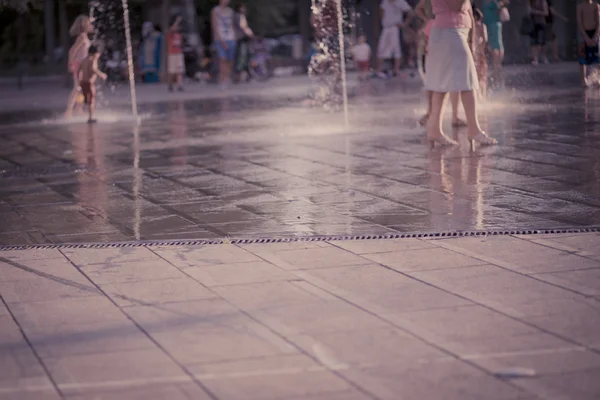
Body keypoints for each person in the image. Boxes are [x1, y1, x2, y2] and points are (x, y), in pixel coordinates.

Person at [425, 0, 496, 147]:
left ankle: (435, 130)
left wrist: (471, 39)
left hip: (452, 31)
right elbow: (455, 5)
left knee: (443, 83)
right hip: (450, 32)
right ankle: (473, 129)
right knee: (467, 81)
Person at [415, 0, 467, 128]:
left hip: (435, 42)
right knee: (451, 81)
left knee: (434, 83)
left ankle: (432, 115)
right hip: (445, 32)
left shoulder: (430, 23)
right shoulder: (436, 20)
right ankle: (444, 116)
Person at [377, 0, 415, 78]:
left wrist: (404, 24)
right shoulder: (385, 1)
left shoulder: (400, 2)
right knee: (381, 47)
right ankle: (379, 70)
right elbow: (382, 10)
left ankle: (396, 70)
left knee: (396, 48)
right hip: (386, 27)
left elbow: (410, 12)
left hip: (394, 27)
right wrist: (383, 20)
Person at [65, 15, 94, 119]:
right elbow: (72, 51)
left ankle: (78, 109)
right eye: (89, 24)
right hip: (79, 65)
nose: (91, 25)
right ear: (85, 25)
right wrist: (70, 63)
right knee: (77, 88)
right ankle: (68, 111)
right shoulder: (82, 37)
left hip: (83, 65)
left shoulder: (84, 36)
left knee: (81, 88)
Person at [78, 45, 107, 124]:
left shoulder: (83, 60)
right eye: (98, 54)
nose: (99, 55)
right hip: (89, 82)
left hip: (83, 82)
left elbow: (79, 69)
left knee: (86, 99)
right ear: (95, 53)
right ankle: (90, 117)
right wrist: (101, 74)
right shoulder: (92, 60)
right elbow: (93, 69)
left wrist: (79, 80)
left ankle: (83, 110)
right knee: (92, 100)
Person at [212, 0, 237, 89]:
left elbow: (232, 25)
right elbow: (214, 26)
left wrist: (234, 37)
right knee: (222, 59)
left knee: (230, 60)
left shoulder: (230, 11)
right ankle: (222, 80)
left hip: (230, 38)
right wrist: (220, 40)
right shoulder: (215, 11)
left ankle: (227, 77)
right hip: (220, 39)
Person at [577, 0, 600, 87]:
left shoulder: (596, 5)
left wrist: (596, 36)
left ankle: (598, 76)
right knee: (582, 57)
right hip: (584, 33)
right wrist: (585, 37)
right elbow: (580, 22)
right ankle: (583, 79)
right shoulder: (580, 7)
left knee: (598, 56)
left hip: (594, 32)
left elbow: (599, 22)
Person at [482, 0, 507, 75]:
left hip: (495, 23)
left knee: (497, 44)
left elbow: (504, 3)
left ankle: (498, 63)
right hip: (487, 24)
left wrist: (500, 5)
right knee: (491, 44)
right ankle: (495, 64)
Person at [234, 3, 254, 83]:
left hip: (243, 39)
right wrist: (250, 34)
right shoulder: (239, 16)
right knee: (242, 57)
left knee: (245, 57)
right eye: (243, 8)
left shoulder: (240, 16)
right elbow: (243, 27)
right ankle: (239, 77)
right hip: (241, 39)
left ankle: (247, 76)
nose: (244, 9)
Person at [472, 7, 488, 100]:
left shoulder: (480, 26)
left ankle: (481, 96)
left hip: (478, 54)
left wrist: (479, 49)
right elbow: (485, 40)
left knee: (480, 77)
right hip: (478, 54)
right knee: (481, 77)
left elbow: (485, 40)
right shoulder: (481, 26)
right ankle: (481, 96)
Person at [528, 0, 549, 65]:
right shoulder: (531, 1)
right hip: (533, 23)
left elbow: (546, 13)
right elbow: (528, 10)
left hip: (541, 23)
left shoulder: (542, 1)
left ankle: (544, 57)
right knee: (534, 42)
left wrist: (536, 12)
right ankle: (535, 59)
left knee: (542, 42)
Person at [167, 16, 185, 92]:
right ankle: (170, 84)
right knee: (172, 71)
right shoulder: (170, 34)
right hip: (172, 54)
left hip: (179, 54)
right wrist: (177, 21)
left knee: (180, 70)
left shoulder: (179, 35)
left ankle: (179, 85)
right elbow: (172, 29)